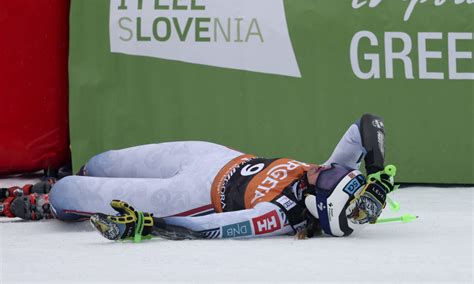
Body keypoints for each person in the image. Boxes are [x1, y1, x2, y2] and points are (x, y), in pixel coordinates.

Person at [6, 113, 396, 241]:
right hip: (211, 155)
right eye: (341, 170)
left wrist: (149, 226)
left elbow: (210, 228)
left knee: (71, 189)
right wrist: (375, 176)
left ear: (319, 204)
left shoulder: (280, 214)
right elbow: (367, 124)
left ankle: (48, 201)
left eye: (331, 178)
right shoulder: (324, 177)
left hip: (189, 194)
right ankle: (65, 188)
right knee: (101, 161)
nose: (326, 167)